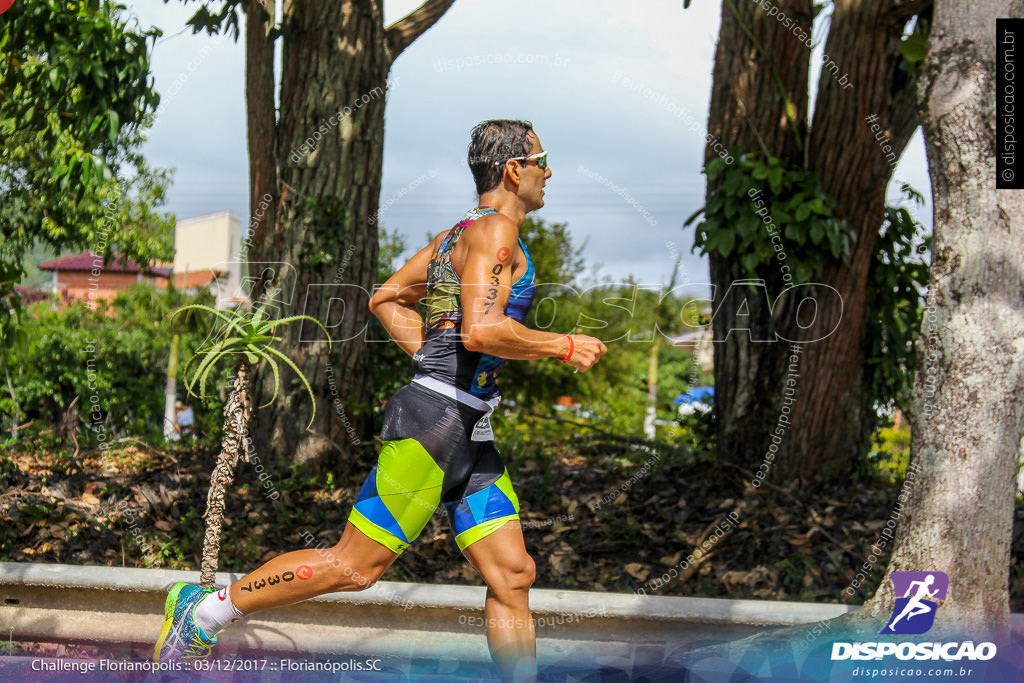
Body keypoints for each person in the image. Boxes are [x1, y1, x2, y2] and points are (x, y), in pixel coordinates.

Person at [153, 120, 607, 682]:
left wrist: (430, 356)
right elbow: (481, 332)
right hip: (436, 427)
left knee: (513, 574)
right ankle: (204, 613)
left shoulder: (456, 236)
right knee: (353, 567)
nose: (550, 172)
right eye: (543, 159)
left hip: (469, 430)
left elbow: (387, 297)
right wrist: (562, 345)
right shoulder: (495, 235)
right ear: (515, 169)